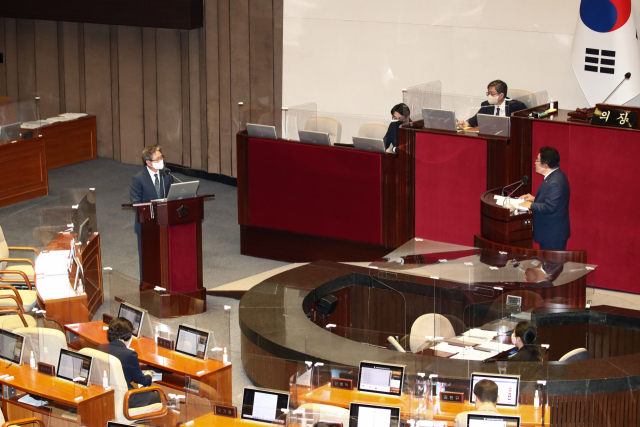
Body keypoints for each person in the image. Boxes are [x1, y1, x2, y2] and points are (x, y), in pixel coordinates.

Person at [130, 145, 173, 285]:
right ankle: (147, 286)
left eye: (162, 157)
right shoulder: (138, 179)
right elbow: (135, 202)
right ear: (148, 162)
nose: (161, 160)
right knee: (148, 258)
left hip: (166, 223)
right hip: (147, 226)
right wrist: (152, 213)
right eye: (158, 158)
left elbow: (172, 194)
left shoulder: (167, 174)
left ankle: (167, 284)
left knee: (167, 256)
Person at [520, 147, 570, 250]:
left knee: (551, 265)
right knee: (548, 264)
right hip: (551, 232)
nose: (535, 162)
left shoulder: (555, 182)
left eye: (537, 160)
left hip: (552, 235)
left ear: (546, 165)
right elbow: (553, 200)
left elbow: (550, 207)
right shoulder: (556, 176)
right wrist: (534, 199)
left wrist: (531, 205)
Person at [106, 317, 161, 407]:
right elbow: (142, 381)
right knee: (158, 396)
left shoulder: (102, 348)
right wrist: (148, 375)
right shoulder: (129, 355)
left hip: (109, 394)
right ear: (128, 336)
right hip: (125, 397)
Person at [458, 80, 527, 128]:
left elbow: (523, 126)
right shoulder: (486, 105)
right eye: (488, 93)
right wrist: (464, 123)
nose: (489, 96)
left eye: (492, 94)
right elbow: (475, 120)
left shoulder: (517, 106)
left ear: (501, 95)